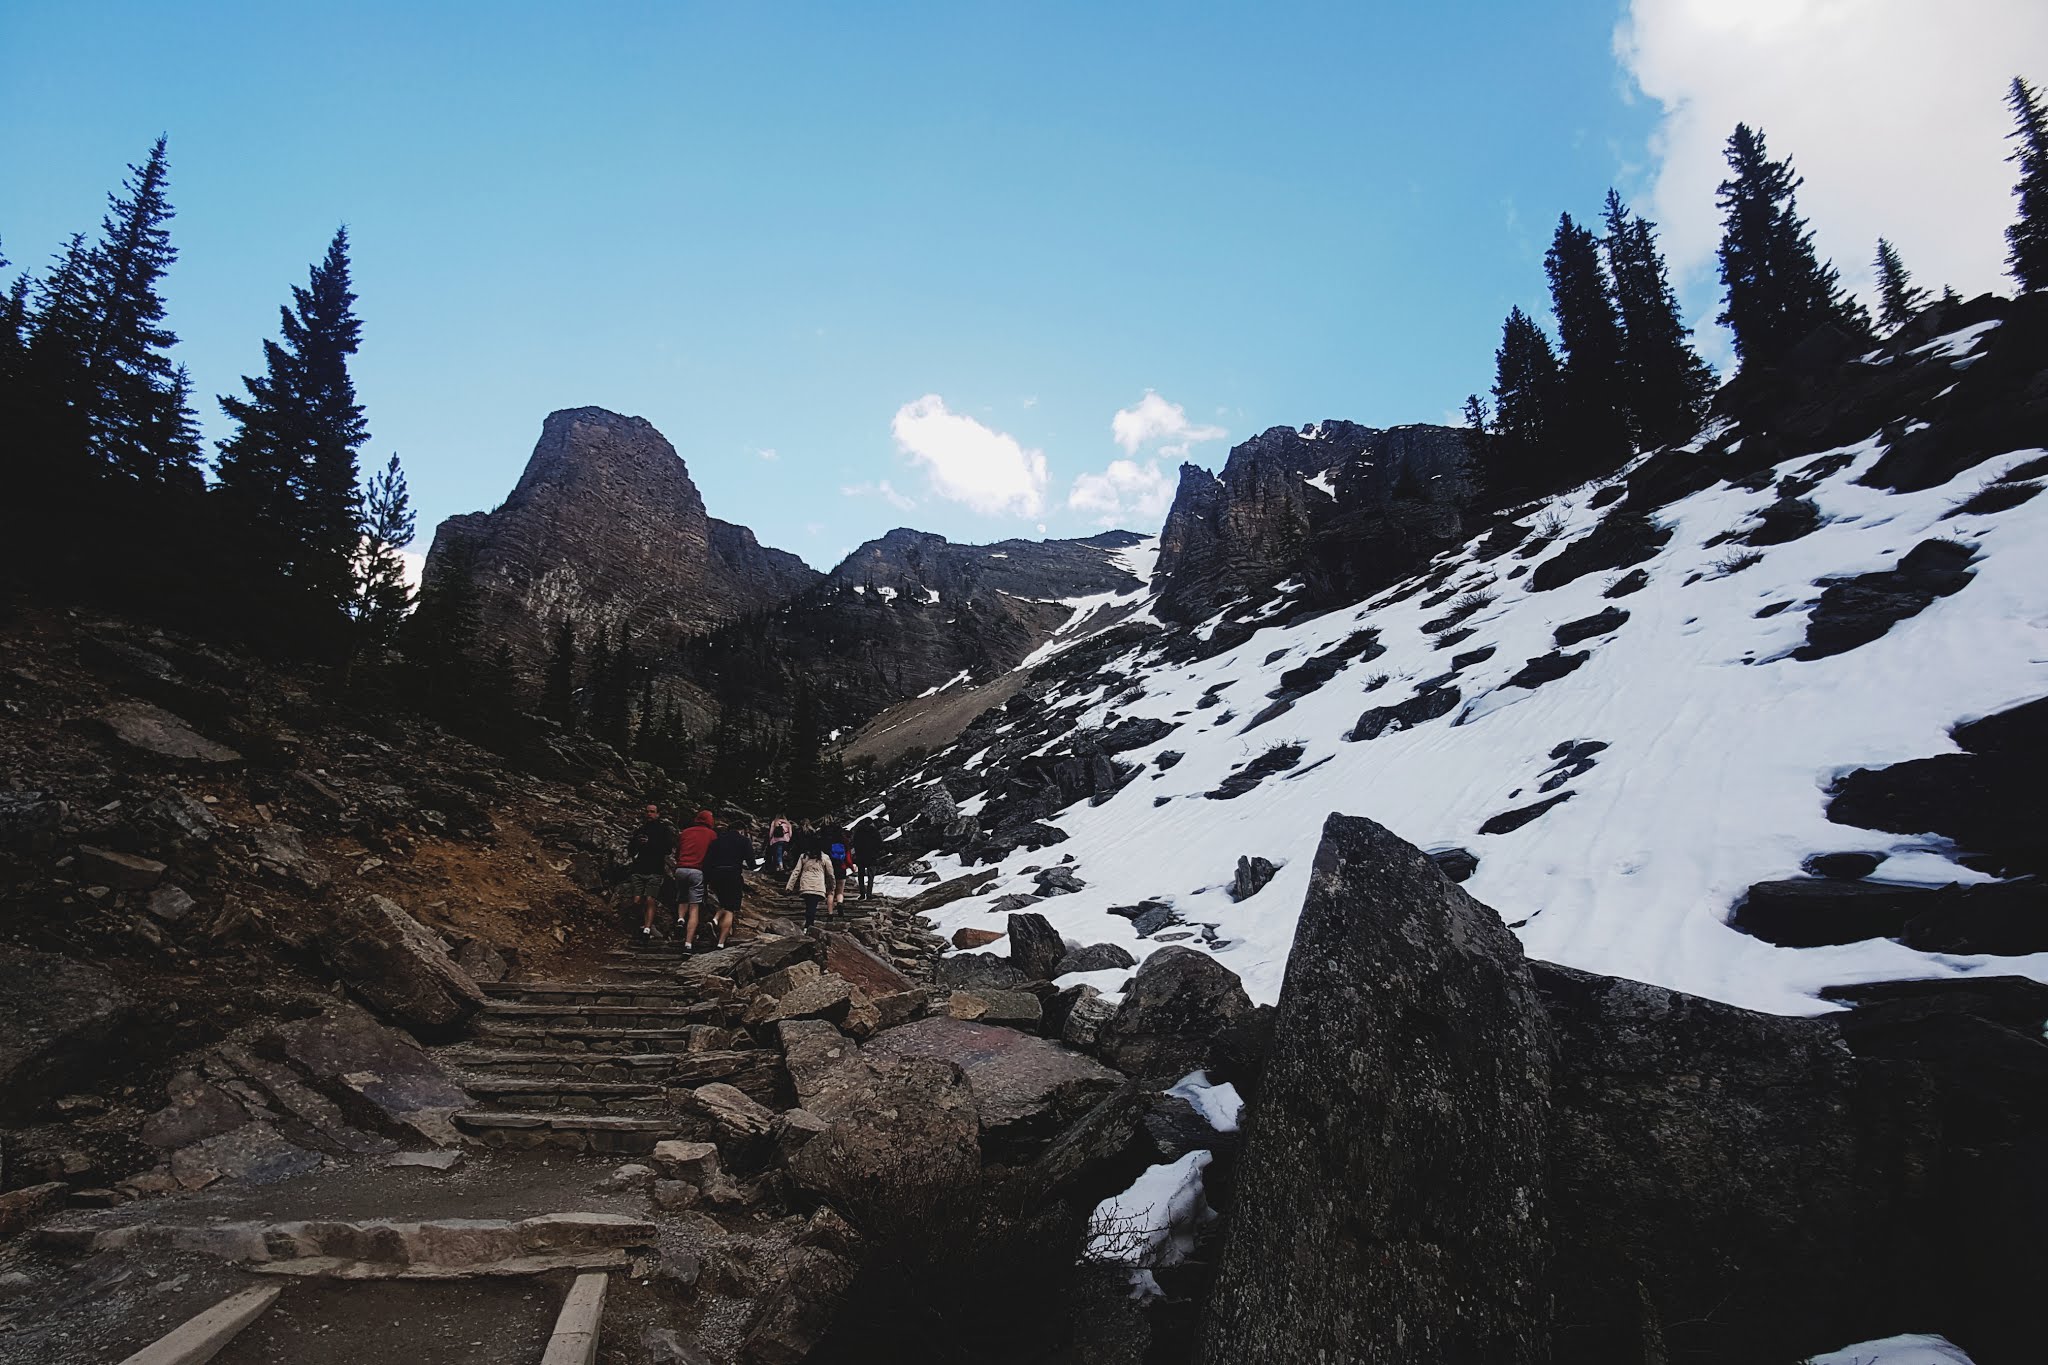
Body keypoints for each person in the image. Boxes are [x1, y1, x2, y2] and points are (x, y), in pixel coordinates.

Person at [695, 814, 754, 951]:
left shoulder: (717, 841)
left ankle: (716, 921)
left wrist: (707, 880)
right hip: (733, 875)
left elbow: (708, 861)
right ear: (741, 830)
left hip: (716, 875)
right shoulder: (744, 841)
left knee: (723, 903)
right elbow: (751, 862)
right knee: (730, 909)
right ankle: (720, 940)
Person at [626, 802, 678, 941]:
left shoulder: (663, 830)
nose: (649, 814)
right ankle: (643, 925)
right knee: (636, 900)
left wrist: (651, 844)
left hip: (655, 869)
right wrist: (638, 844)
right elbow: (630, 849)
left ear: (658, 814)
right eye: (648, 811)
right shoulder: (640, 830)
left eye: (652, 811)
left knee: (650, 898)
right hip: (638, 869)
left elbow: (668, 849)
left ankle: (647, 928)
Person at [671, 809, 717, 948]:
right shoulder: (711, 835)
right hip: (697, 870)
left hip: (680, 869)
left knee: (682, 897)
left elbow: (678, 852)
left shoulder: (685, 832)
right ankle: (688, 943)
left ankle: (680, 919)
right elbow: (712, 854)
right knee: (694, 908)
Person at [785, 834, 835, 931]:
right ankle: (809, 925)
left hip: (806, 885)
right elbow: (830, 874)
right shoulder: (824, 857)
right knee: (812, 906)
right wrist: (832, 886)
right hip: (818, 885)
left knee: (809, 905)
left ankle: (808, 924)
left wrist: (789, 886)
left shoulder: (804, 856)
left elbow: (796, 871)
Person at [851, 819, 884, 900]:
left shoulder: (859, 831)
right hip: (871, 857)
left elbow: (854, 842)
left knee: (861, 875)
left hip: (861, 856)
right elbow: (880, 843)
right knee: (871, 876)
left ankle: (862, 894)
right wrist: (876, 852)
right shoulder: (875, 831)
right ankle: (869, 894)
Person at [824, 823, 851, 917]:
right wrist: (851, 866)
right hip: (842, 868)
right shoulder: (845, 842)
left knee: (830, 892)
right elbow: (848, 858)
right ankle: (839, 903)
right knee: (840, 891)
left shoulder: (829, 842)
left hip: (831, 868)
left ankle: (830, 913)